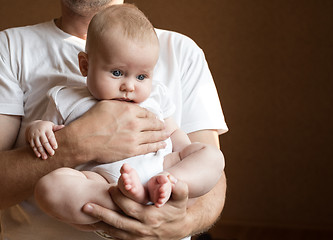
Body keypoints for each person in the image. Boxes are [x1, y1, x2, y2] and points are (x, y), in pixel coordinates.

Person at [0, 0, 228, 239]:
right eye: (117, 73)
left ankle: (166, 185)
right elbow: (49, 127)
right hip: (99, 179)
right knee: (51, 188)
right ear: (85, 65)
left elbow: (188, 151)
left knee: (211, 157)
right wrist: (67, 141)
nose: (129, 86)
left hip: (159, 170)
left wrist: (183, 222)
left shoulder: (175, 61)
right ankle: (115, 203)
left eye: (141, 77)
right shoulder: (56, 89)